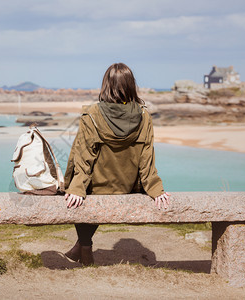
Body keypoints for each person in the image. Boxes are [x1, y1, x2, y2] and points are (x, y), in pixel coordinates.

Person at [63, 63, 170, 266]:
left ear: (106, 85)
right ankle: (81, 248)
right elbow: (147, 156)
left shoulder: (92, 113)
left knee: (81, 192)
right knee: (84, 190)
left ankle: (85, 248)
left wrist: (76, 187)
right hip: (126, 185)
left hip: (97, 185)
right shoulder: (144, 114)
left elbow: (83, 155)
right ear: (131, 85)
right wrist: (156, 188)